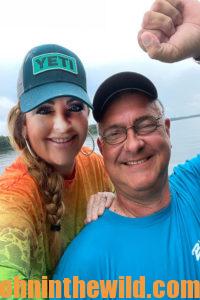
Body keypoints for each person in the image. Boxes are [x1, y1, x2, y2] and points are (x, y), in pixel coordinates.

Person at [52, 0, 200, 299]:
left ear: (167, 130)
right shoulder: (83, 266)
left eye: (146, 124)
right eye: (117, 133)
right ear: (103, 148)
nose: (134, 144)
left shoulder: (194, 184)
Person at [0, 43, 114, 297]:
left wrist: (115, 202)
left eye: (74, 107)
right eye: (44, 110)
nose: (62, 126)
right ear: (23, 125)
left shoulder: (95, 164)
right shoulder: (13, 197)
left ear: (87, 114)